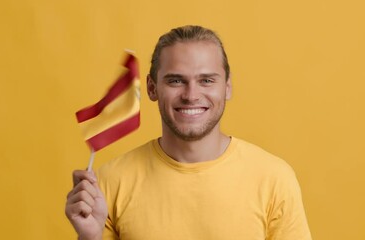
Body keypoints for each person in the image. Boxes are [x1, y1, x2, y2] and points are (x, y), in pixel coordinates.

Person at [65, 25, 312, 240]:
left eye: (206, 80)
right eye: (175, 81)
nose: (191, 95)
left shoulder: (274, 179)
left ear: (227, 87)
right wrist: (90, 236)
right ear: (152, 88)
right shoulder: (108, 183)